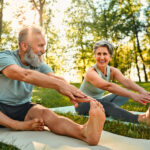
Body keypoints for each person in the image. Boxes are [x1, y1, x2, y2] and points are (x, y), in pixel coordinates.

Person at [0, 26, 106, 145]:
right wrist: (58, 84)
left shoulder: (36, 62)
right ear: (24, 46)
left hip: (23, 107)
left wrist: (76, 94)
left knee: (46, 114)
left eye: (44, 45)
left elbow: (54, 79)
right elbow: (24, 74)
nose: (43, 50)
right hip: (1, 107)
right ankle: (17, 125)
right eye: (40, 45)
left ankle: (84, 132)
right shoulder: (5, 57)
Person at [76, 40, 150, 125]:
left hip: (98, 101)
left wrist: (143, 91)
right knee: (109, 106)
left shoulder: (112, 71)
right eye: (99, 54)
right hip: (82, 104)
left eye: (105, 54)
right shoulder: (91, 72)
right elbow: (107, 86)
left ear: (110, 56)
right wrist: (134, 95)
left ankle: (108, 110)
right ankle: (142, 119)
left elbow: (126, 81)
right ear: (95, 56)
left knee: (125, 92)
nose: (102, 57)